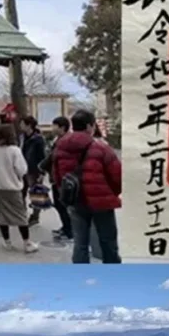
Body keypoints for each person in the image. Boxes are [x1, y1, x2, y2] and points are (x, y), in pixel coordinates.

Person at [52, 109, 122, 263]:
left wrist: (64, 194)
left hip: (76, 201)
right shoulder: (101, 148)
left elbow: (56, 175)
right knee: (108, 242)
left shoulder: (61, 147)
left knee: (80, 243)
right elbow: (117, 176)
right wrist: (111, 194)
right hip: (101, 202)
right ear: (90, 126)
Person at [0, 124, 37, 254]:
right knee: (20, 215)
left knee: (2, 215)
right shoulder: (14, 150)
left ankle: (7, 242)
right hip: (12, 187)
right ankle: (27, 243)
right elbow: (22, 169)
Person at [41, 116, 74, 242]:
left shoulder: (67, 141)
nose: (52, 128)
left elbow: (55, 158)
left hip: (63, 179)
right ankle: (66, 227)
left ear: (62, 127)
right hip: (56, 177)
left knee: (63, 205)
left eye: (54, 125)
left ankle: (70, 231)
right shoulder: (58, 139)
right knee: (59, 205)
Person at [19, 116, 47, 226]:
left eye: (22, 124)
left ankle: (35, 216)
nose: (20, 126)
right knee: (20, 193)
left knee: (36, 194)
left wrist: (42, 172)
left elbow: (42, 156)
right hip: (22, 168)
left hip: (34, 170)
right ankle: (22, 214)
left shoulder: (38, 139)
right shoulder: (22, 137)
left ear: (29, 125)